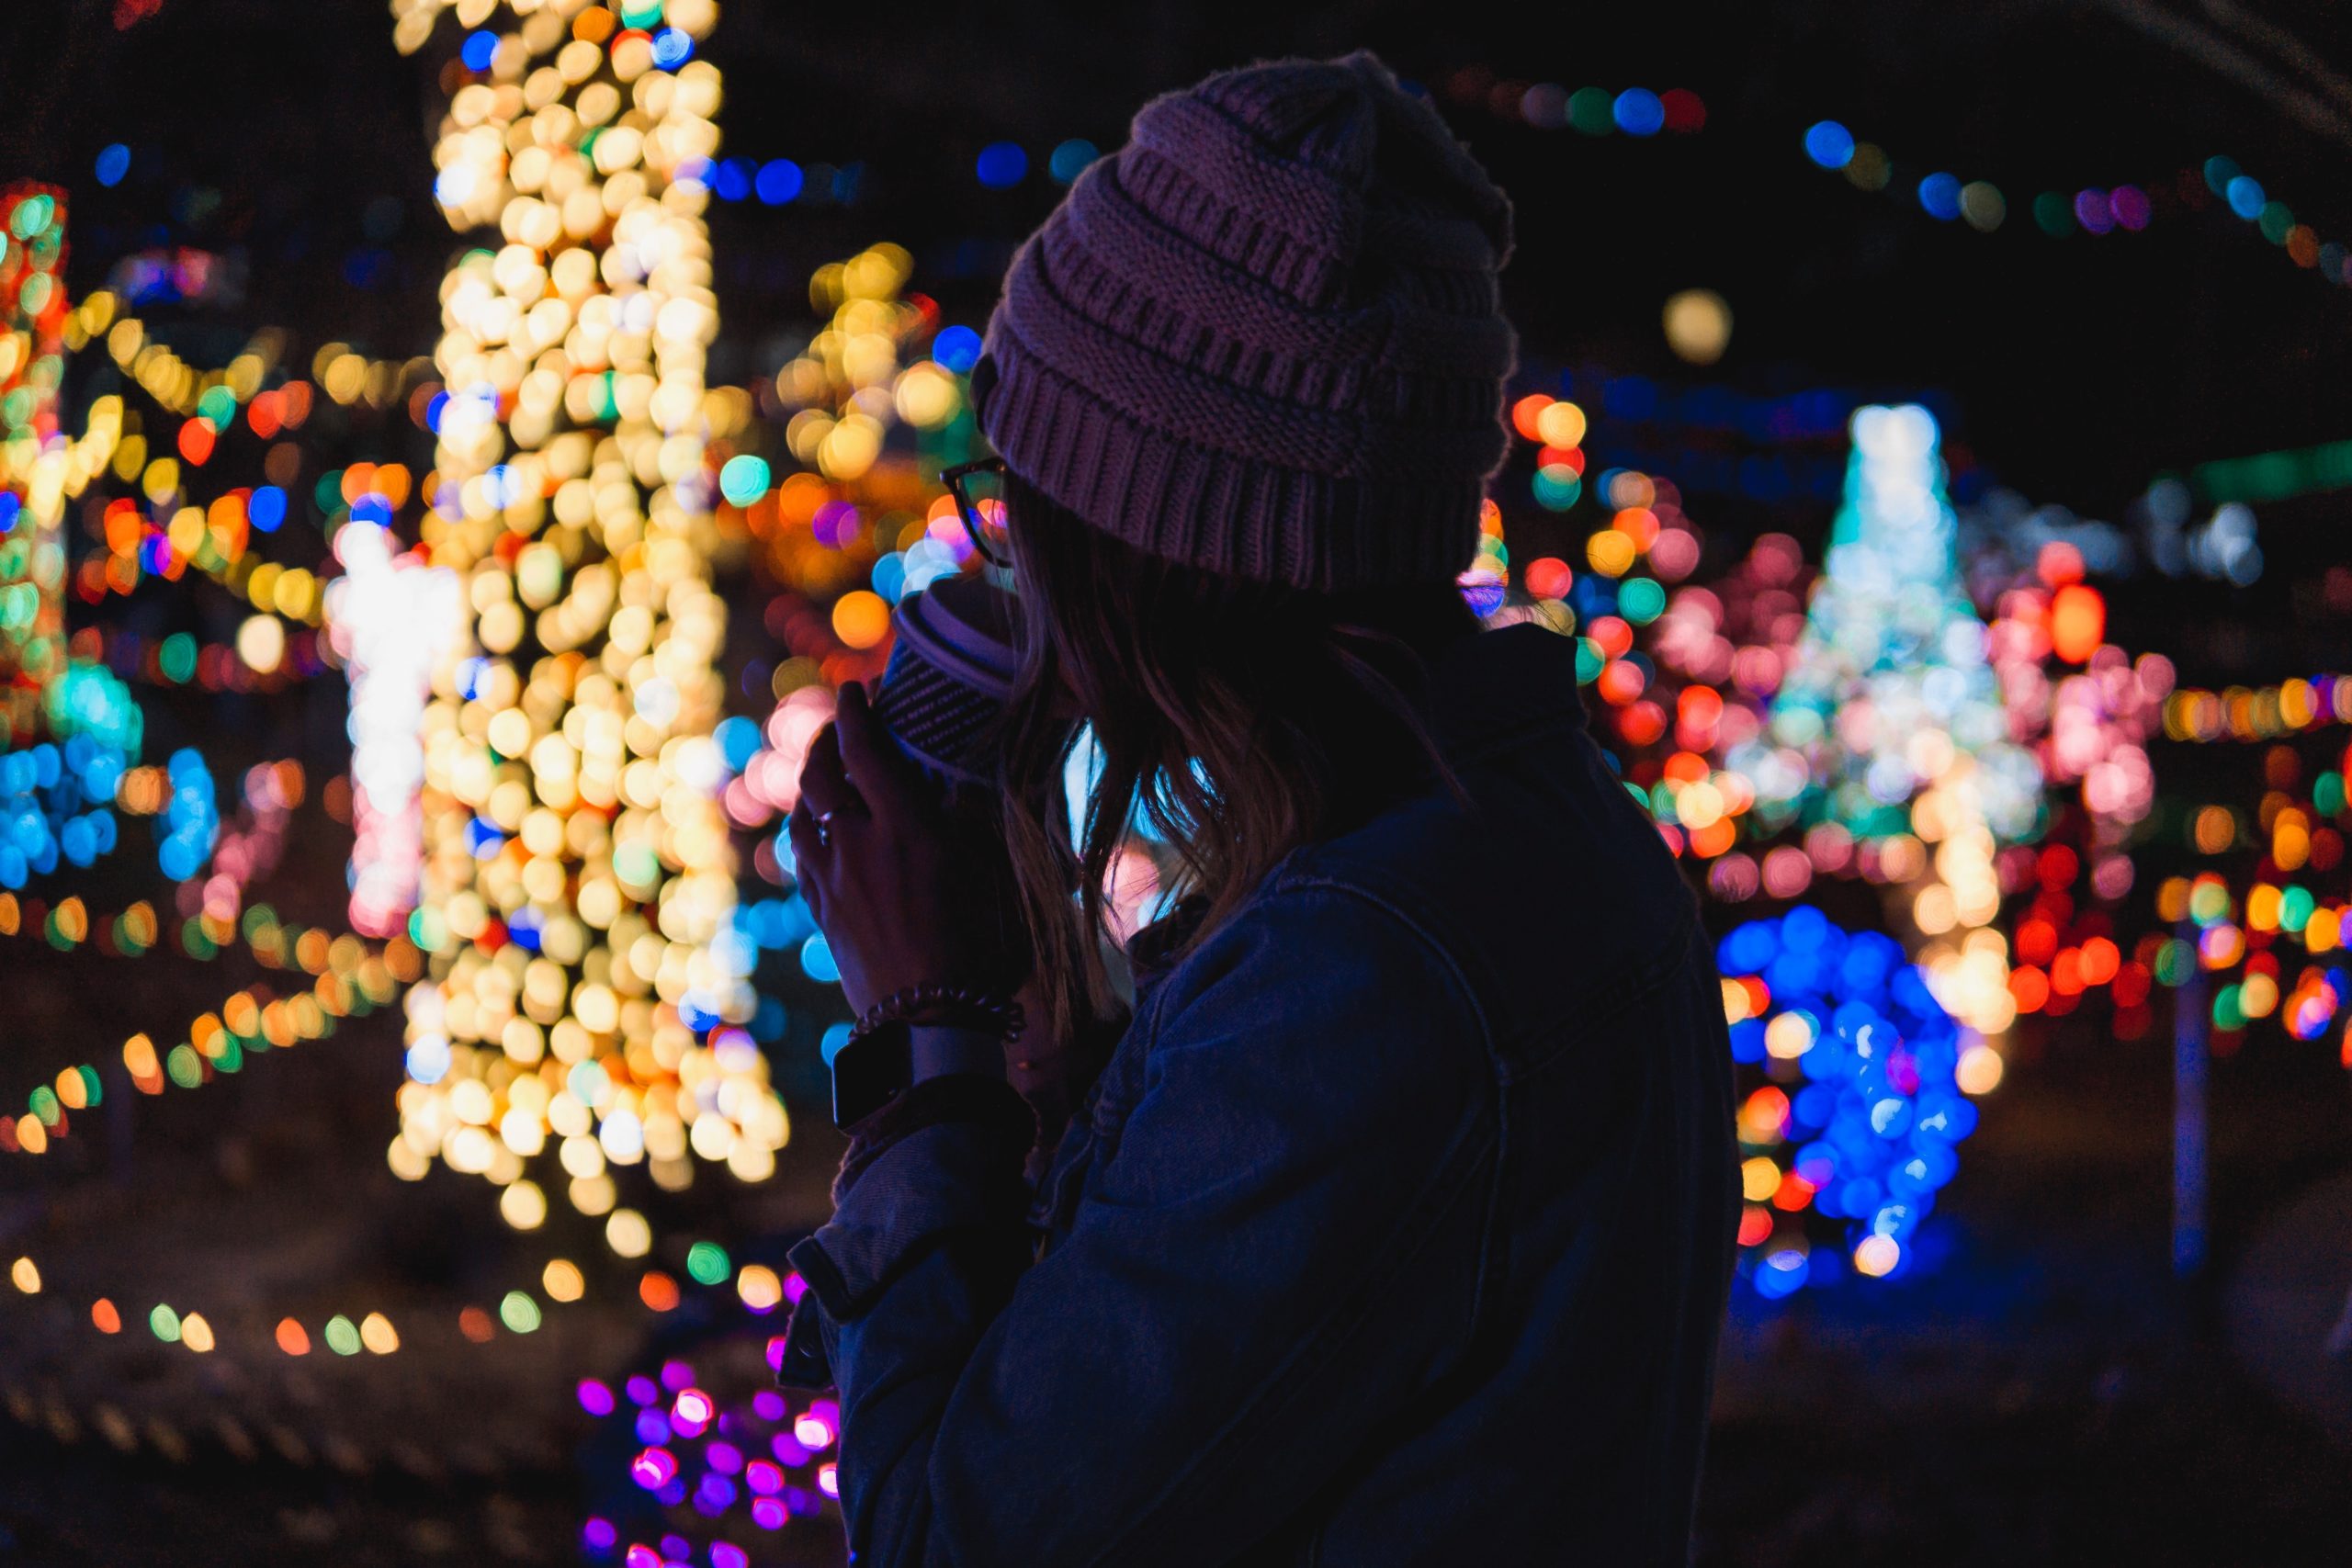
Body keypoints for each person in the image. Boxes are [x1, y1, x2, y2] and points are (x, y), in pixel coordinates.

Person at [779, 47, 1739, 1565]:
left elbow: (950, 1539)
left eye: (1019, 509)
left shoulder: (1360, 976)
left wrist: (926, 1033)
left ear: (1142, 551)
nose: (1004, 569)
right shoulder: (1523, 842)